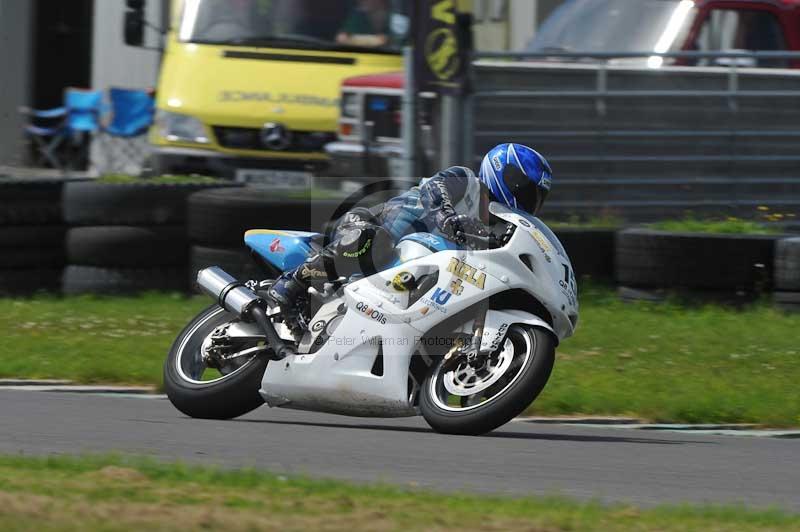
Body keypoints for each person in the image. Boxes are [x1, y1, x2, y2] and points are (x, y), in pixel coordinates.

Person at [268, 143, 553, 326]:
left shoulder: (493, 227)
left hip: (410, 267)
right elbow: (435, 189)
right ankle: (290, 283)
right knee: (373, 242)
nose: (530, 203)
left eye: (536, 199)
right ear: (508, 176)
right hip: (373, 223)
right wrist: (446, 215)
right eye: (528, 192)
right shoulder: (467, 182)